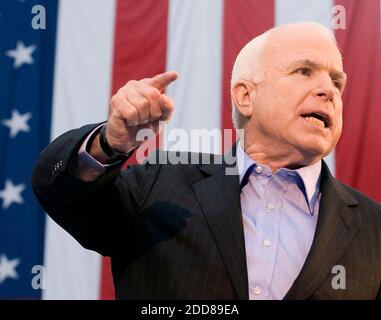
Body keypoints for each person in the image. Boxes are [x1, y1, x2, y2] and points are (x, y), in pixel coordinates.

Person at [31, 22, 381, 300]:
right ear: (246, 96)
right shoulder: (160, 184)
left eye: (337, 81)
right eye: (305, 71)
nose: (328, 90)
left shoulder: (373, 226)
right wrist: (111, 142)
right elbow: (61, 193)